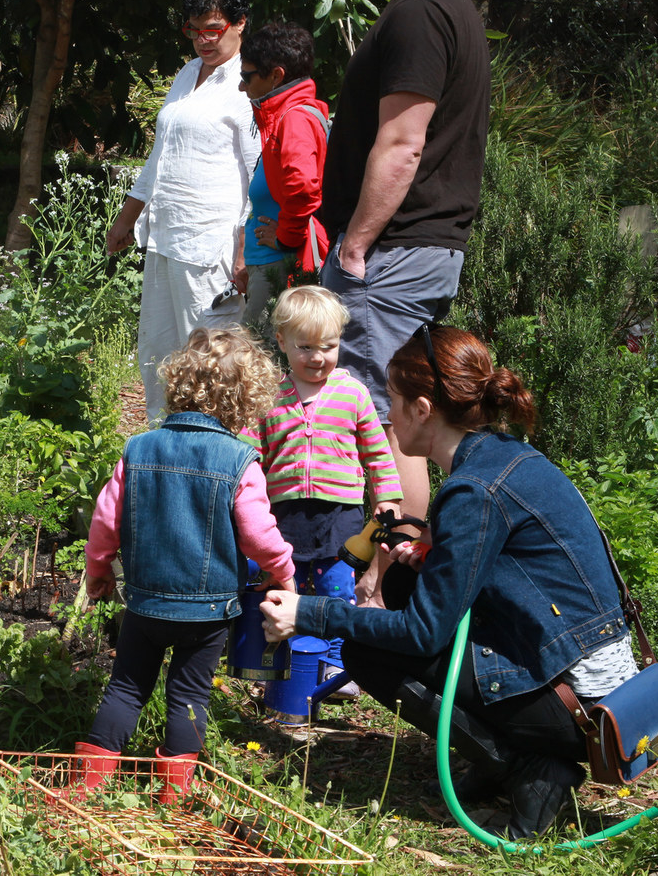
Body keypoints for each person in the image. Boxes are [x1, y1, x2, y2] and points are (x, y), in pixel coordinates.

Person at [259, 326, 637, 839]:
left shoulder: (472, 491)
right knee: (403, 590)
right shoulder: (505, 456)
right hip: (597, 684)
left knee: (367, 650)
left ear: (421, 408)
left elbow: (423, 635)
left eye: (391, 401)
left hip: (585, 714)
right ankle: (504, 755)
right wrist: (430, 562)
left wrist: (308, 612)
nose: (387, 417)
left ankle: (529, 768)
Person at [316, 0, 490, 539]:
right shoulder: (449, 6)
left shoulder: (419, 14)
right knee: (399, 412)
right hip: (418, 249)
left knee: (376, 422)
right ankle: (390, 577)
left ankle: (383, 582)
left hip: (391, 251)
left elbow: (402, 144)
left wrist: (355, 243)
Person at [71, 328, 298, 802]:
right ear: (244, 401)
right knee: (189, 695)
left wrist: (97, 574)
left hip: (146, 604)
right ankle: (174, 794)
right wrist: (283, 571)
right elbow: (258, 534)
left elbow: (104, 522)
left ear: (178, 383)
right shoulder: (241, 461)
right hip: (209, 613)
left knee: (126, 688)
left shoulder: (138, 449)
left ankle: (85, 786)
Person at [105, 0, 260, 422]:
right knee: (158, 351)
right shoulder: (188, 73)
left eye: (212, 29)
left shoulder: (247, 82)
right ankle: (163, 450)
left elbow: (258, 171)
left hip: (212, 245)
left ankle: (219, 459)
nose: (202, 40)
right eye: (193, 29)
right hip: (165, 238)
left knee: (211, 356)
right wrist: (127, 217)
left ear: (239, 23)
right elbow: (159, 157)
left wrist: (243, 249)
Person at [249, 286, 400, 687]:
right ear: (281, 341)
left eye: (329, 346)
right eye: (306, 347)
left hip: (340, 514)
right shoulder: (270, 397)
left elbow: (377, 453)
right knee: (285, 585)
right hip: (285, 513)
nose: (318, 357)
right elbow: (252, 455)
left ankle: (337, 662)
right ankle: (277, 659)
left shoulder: (352, 393)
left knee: (336, 587)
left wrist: (386, 496)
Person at [237, 22, 332, 335]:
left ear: (276, 75)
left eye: (246, 76)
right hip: (269, 263)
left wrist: (286, 238)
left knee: (260, 369)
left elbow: (303, 189)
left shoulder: (294, 118)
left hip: (282, 264)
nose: (241, 87)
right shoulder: (284, 116)